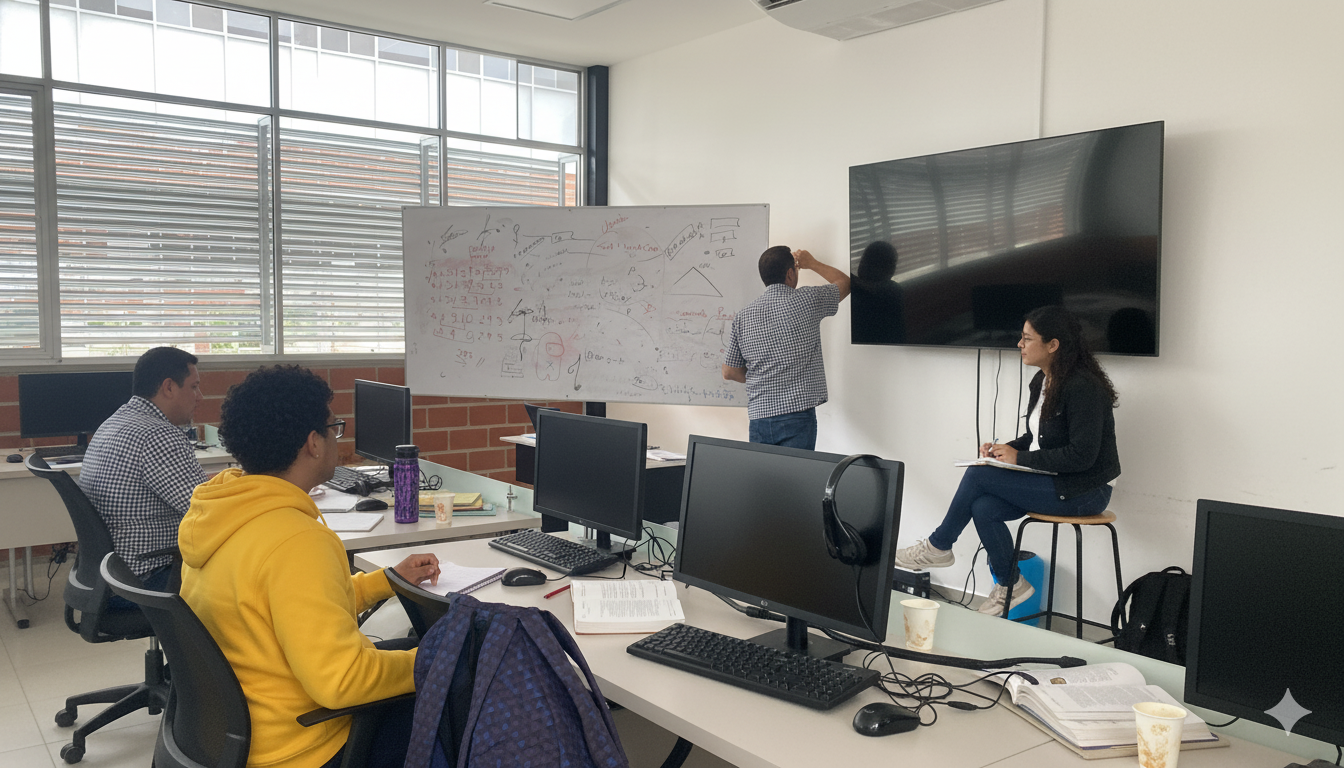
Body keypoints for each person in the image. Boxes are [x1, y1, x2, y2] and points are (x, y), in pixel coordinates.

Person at [178, 365, 441, 768]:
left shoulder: (222, 511)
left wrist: (385, 581)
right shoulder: (296, 540)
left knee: (412, 651)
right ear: (313, 443)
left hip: (242, 731)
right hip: (305, 747)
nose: (338, 439)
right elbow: (342, 682)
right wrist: (440, 661)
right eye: (333, 428)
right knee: (461, 687)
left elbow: (288, 608)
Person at [893, 305, 1120, 617]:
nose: (1020, 344)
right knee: (982, 506)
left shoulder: (1084, 388)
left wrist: (1020, 457)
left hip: (1085, 490)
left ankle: (938, 547)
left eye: (1027, 339)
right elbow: (1037, 437)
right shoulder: (1042, 381)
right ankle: (1010, 584)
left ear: (1053, 345)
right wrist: (1005, 449)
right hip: (1056, 480)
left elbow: (1083, 456)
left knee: (978, 476)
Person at [79, 346, 207, 600]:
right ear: (168, 387)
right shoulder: (158, 435)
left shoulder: (116, 421)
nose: (200, 396)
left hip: (109, 575)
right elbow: (209, 511)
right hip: (147, 578)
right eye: (193, 387)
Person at [722, 246, 850, 450]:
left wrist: (764, 374)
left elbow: (729, 372)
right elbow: (845, 282)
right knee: (798, 480)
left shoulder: (743, 317)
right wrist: (812, 263)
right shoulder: (808, 300)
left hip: (759, 417)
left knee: (764, 481)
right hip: (797, 417)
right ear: (790, 274)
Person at [850, 240, 906, 344]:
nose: (861, 265)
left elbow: (875, 290)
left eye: (864, 261)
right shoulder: (894, 290)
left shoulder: (892, 292)